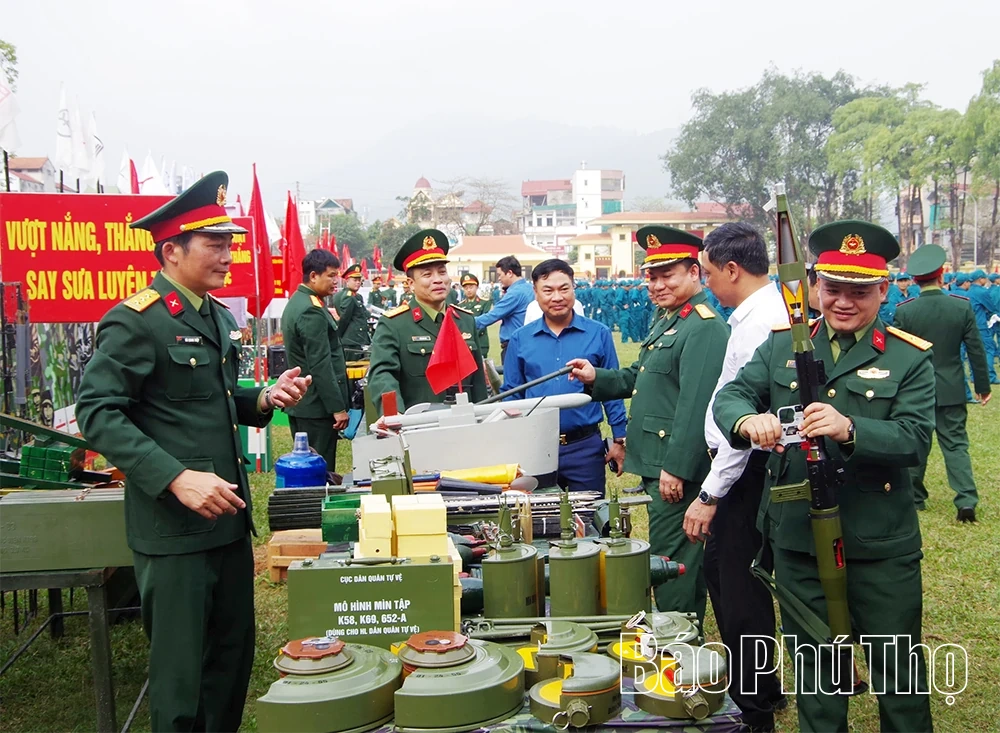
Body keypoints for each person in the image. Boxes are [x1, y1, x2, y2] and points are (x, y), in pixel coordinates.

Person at [75, 172, 311, 732]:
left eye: (230, 242)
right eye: (215, 244)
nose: (229, 255)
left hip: (226, 521)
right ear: (172, 250)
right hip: (175, 527)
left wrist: (261, 399)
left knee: (229, 663)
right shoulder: (139, 320)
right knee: (182, 678)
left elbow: (209, 398)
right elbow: (98, 411)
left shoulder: (213, 314)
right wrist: (175, 476)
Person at [713, 220, 935, 733]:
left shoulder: (908, 356)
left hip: (879, 543)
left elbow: (915, 438)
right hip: (800, 542)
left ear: (883, 289)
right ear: (814, 286)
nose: (843, 302)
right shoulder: (781, 346)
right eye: (832, 289)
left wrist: (850, 427)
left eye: (859, 291)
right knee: (818, 673)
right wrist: (748, 421)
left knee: (898, 674)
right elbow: (732, 396)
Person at [567, 226, 729, 622]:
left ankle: (680, 641)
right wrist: (596, 378)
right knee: (668, 552)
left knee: (674, 561)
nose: (656, 284)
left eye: (666, 275)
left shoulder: (703, 326)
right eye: (651, 276)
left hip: (677, 469)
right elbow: (639, 378)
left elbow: (696, 408)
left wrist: (676, 467)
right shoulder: (670, 319)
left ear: (695, 272)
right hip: (659, 463)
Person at [680, 223, 786, 731]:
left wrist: (709, 494)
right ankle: (764, 688)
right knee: (730, 579)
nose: (705, 282)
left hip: (745, 472)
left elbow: (742, 429)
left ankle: (755, 709)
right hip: (744, 468)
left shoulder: (758, 322)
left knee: (738, 590)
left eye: (705, 272)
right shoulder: (761, 311)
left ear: (731, 269)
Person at [502, 259, 627, 494]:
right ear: (536, 294)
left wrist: (620, 439)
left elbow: (612, 389)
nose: (557, 297)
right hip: (535, 446)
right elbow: (511, 393)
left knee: (590, 517)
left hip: (585, 447)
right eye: (548, 290)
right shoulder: (520, 339)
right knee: (539, 520)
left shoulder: (598, 334)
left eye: (564, 289)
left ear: (574, 289)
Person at [893, 244, 991, 522]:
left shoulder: (905, 311)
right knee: (956, 445)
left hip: (915, 390)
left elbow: (899, 355)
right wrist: (982, 387)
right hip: (951, 388)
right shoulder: (961, 307)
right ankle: (966, 499)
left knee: (915, 444)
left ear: (914, 280)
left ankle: (914, 497)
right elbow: (976, 351)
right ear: (942, 274)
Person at [366, 229, 488, 413]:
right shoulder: (394, 324)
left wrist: (483, 416)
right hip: (417, 426)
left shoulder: (465, 320)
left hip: (465, 424)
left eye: (442, 272)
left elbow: (478, 380)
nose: (438, 280)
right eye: (427, 274)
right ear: (411, 283)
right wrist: (394, 416)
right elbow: (383, 375)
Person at [281, 248, 351, 474]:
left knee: (309, 467)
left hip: (308, 405)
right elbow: (320, 364)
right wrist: (337, 407)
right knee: (317, 471)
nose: (336, 281)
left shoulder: (305, 301)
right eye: (330, 275)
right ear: (313, 276)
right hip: (315, 407)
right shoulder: (310, 310)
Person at [474, 255, 534, 360]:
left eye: (500, 274)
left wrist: (465, 322)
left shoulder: (515, 293)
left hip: (514, 346)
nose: (499, 278)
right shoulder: (530, 288)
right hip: (528, 343)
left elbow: (493, 315)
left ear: (510, 273)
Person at [334, 263, 370, 361]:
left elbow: (363, 314)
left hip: (357, 339)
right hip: (351, 340)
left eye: (359, 280)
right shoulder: (348, 297)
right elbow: (344, 319)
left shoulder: (356, 296)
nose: (358, 283)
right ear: (347, 281)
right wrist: (339, 335)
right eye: (355, 280)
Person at [457, 273, 493, 359]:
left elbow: (484, 322)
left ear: (476, 287)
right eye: (466, 288)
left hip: (480, 342)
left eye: (471, 287)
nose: (468, 290)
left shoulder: (484, 302)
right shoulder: (459, 306)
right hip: (465, 343)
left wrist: (470, 334)